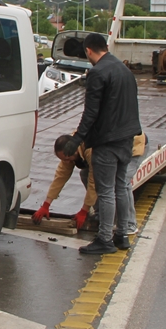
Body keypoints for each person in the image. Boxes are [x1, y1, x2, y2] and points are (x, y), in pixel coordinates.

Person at [61, 32, 142, 255]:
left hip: (107, 140)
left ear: (88, 50)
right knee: (121, 187)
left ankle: (105, 239)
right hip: (127, 139)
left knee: (106, 191)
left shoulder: (98, 73)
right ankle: (122, 235)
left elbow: (91, 113)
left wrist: (78, 139)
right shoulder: (125, 70)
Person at [32, 134, 97, 229]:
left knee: (115, 186)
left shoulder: (89, 149)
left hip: (117, 152)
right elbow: (61, 176)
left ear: (75, 151)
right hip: (95, 160)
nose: (67, 162)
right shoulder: (69, 149)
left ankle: (123, 221)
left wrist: (84, 211)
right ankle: (99, 211)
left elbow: (94, 183)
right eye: (63, 160)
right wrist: (46, 205)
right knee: (84, 174)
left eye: (67, 159)